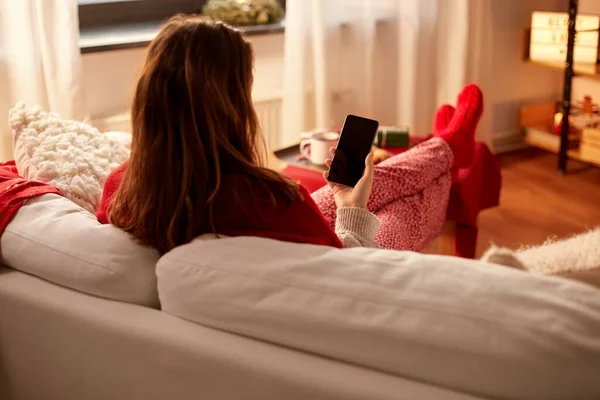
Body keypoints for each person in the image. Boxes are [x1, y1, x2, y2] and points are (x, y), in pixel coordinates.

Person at [97, 15, 482, 254]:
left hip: (268, 224)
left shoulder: (121, 188)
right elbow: (350, 272)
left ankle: (445, 145)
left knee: (365, 181)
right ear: (231, 105)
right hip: (349, 253)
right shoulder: (270, 201)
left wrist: (345, 198)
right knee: (410, 205)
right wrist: (351, 208)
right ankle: (446, 151)